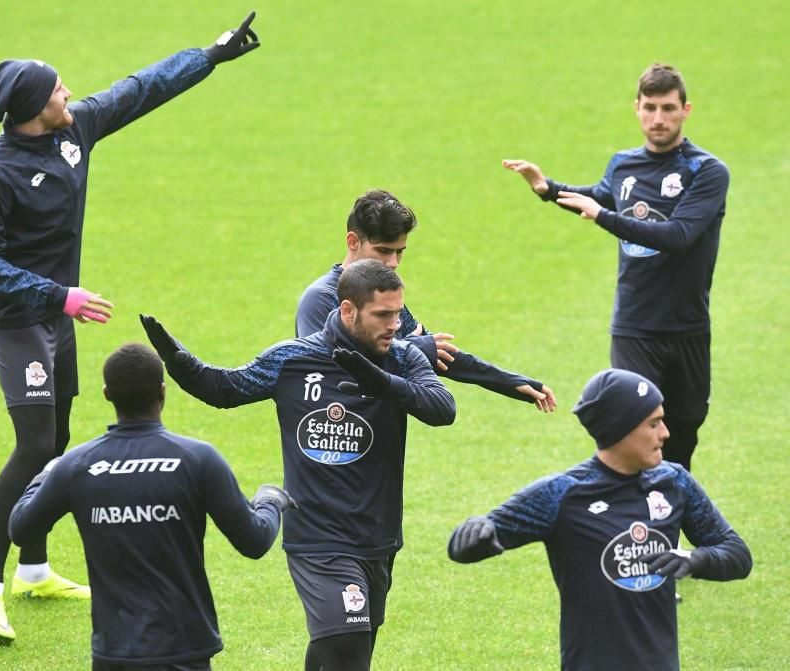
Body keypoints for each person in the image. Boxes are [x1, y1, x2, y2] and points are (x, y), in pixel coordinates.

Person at [0, 12, 263, 641]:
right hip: (20, 320)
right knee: (36, 444)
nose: (69, 93)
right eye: (58, 89)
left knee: (60, 432)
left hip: (57, 313)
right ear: (31, 108)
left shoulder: (75, 130)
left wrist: (210, 54)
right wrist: (57, 295)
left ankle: (34, 568)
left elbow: (139, 88)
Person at [142, 259, 456, 671]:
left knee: (336, 649)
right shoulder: (292, 360)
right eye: (383, 314)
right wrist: (177, 358)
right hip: (318, 540)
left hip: (378, 538)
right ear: (348, 310)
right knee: (348, 656)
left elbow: (442, 408)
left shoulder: (401, 359)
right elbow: (224, 388)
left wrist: (382, 383)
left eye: (398, 313)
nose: (395, 324)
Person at [8, 343, 294, 670]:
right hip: (185, 652)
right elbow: (254, 541)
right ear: (162, 391)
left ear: (106, 394)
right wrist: (270, 501)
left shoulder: (78, 466)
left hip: (114, 654)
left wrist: (46, 472)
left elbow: (20, 527)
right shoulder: (198, 460)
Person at [503, 63, 728, 471]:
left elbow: (678, 236)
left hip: (687, 327)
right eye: (650, 108)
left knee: (680, 439)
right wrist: (549, 189)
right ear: (637, 109)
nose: (658, 118)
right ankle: (628, 526)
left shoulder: (707, 172)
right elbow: (599, 197)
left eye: (668, 108)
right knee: (635, 430)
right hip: (635, 326)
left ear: (686, 110)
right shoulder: (623, 165)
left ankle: (667, 530)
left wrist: (602, 216)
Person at [448, 368, 751, 671]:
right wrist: (476, 531)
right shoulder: (562, 495)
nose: (665, 433)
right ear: (621, 430)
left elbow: (737, 554)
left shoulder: (674, 483)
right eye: (654, 424)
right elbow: (469, 544)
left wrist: (695, 559)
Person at [297, 189, 556, 412]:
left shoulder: (381, 294)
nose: (393, 263)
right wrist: (413, 348)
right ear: (353, 241)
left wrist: (510, 382)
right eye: (383, 251)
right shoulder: (320, 299)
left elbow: (440, 353)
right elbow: (330, 371)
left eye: (400, 252)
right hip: (331, 439)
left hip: (379, 440)